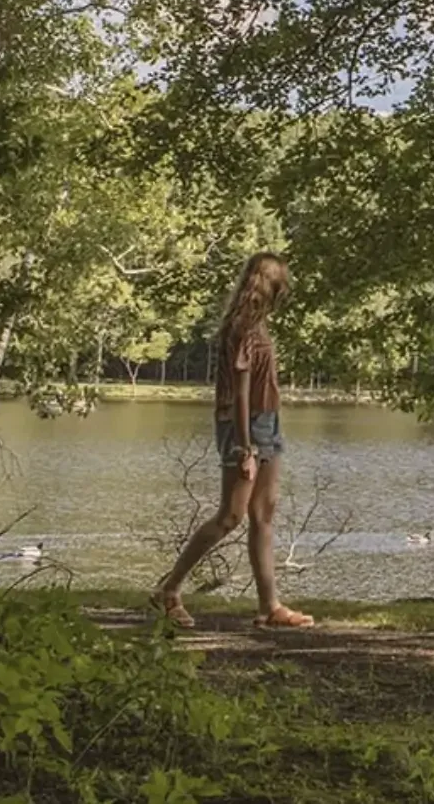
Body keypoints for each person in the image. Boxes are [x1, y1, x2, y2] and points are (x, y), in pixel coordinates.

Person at [150, 252, 315, 629]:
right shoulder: (243, 327)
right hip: (247, 426)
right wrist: (245, 447)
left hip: (267, 422)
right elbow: (240, 394)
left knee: (264, 514)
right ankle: (168, 590)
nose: (285, 290)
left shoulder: (258, 325)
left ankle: (269, 607)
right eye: (281, 283)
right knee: (231, 516)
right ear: (269, 283)